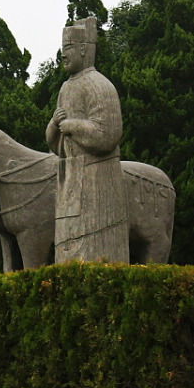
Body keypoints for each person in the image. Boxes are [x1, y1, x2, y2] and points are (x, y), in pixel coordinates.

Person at [45, 17, 127, 263]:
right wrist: (53, 126)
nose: (62, 55)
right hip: (70, 179)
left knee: (96, 249)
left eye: (68, 47)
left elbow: (107, 136)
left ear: (83, 49)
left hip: (97, 181)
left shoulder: (99, 85)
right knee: (68, 249)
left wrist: (71, 125)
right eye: (62, 48)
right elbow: (56, 146)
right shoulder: (65, 88)